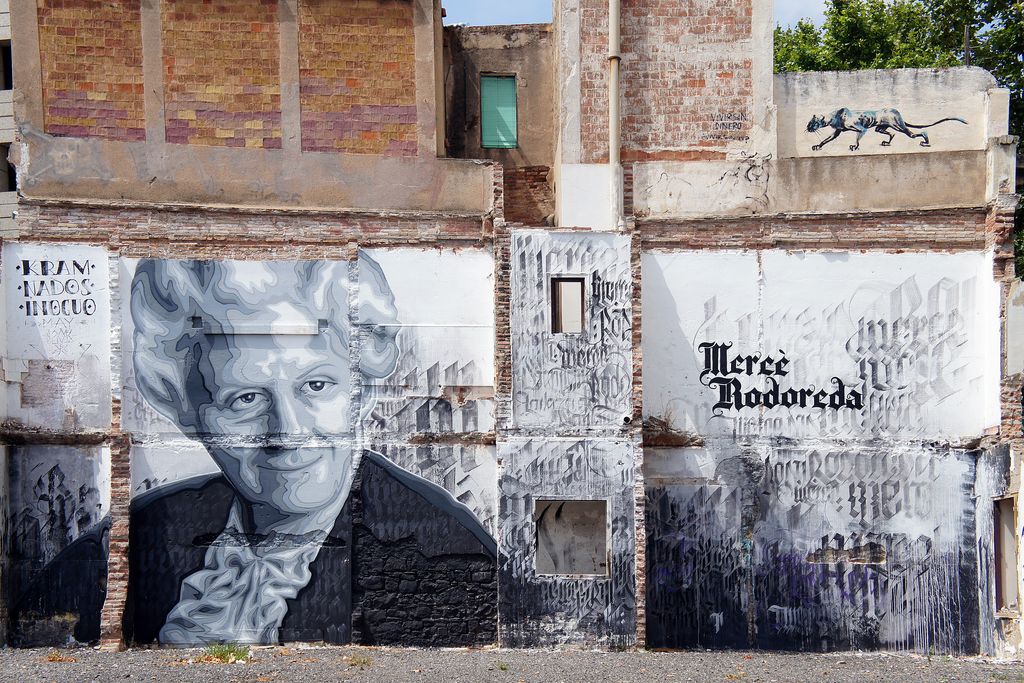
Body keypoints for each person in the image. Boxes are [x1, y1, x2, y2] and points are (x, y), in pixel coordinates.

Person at [125, 254, 496, 646]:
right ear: (185, 409)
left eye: (316, 386)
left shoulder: (441, 557)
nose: (290, 432)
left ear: (363, 391)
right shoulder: (140, 533)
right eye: (245, 398)